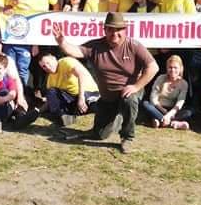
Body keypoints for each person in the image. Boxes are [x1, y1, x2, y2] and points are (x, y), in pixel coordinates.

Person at [54, 12, 159, 154]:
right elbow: (76, 51)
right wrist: (62, 42)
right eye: (110, 29)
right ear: (104, 30)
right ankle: (115, 120)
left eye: (118, 29)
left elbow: (153, 67)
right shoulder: (96, 46)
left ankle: (127, 137)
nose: (114, 33)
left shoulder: (134, 46)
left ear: (125, 30)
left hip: (128, 92)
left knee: (129, 100)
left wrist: (136, 86)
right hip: (107, 98)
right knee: (99, 135)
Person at [4, 0, 58, 85]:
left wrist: (53, 18)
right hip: (21, 33)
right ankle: (22, 90)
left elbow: (55, 3)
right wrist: (11, 7)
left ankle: (41, 89)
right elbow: (6, 9)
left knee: (42, 63)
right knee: (22, 66)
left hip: (41, 32)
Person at [38, 53, 100, 128]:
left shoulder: (66, 62)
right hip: (72, 99)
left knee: (95, 106)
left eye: (48, 63)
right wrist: (38, 111)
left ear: (54, 59)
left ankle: (109, 115)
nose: (47, 67)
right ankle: (64, 117)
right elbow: (50, 100)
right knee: (51, 92)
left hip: (87, 93)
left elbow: (81, 74)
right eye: (44, 66)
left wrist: (81, 98)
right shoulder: (50, 79)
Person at [143, 55, 191, 129]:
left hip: (173, 110)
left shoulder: (184, 83)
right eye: (170, 67)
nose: (172, 70)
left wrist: (169, 114)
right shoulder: (161, 78)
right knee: (146, 104)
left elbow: (180, 102)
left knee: (188, 112)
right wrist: (164, 111)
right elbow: (153, 97)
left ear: (180, 69)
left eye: (175, 68)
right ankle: (173, 123)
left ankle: (159, 120)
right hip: (158, 107)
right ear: (167, 68)